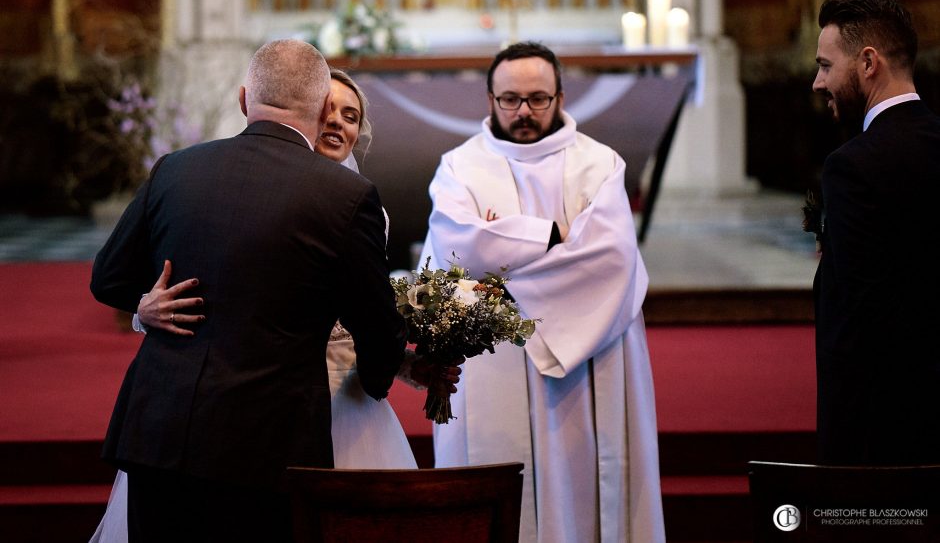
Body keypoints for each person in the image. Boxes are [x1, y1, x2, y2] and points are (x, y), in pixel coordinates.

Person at [88, 68, 454, 542]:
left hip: (196, 420)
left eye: (351, 116)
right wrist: (144, 308)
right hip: (274, 423)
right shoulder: (347, 198)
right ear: (308, 112)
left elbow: (110, 275)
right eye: (330, 110)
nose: (338, 123)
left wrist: (399, 365)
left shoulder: (182, 168)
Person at [420, 41, 665, 542]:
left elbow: (610, 261)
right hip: (495, 360)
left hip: (585, 358)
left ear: (561, 97)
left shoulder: (599, 165)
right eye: (510, 99)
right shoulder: (459, 168)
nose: (524, 112)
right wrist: (552, 238)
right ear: (490, 99)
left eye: (538, 98)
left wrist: (503, 270)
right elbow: (456, 246)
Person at [811, 0, 940, 465]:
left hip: (880, 437)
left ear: (868, 63)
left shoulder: (853, 168)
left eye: (826, 66)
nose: (817, 81)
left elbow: (867, 320)